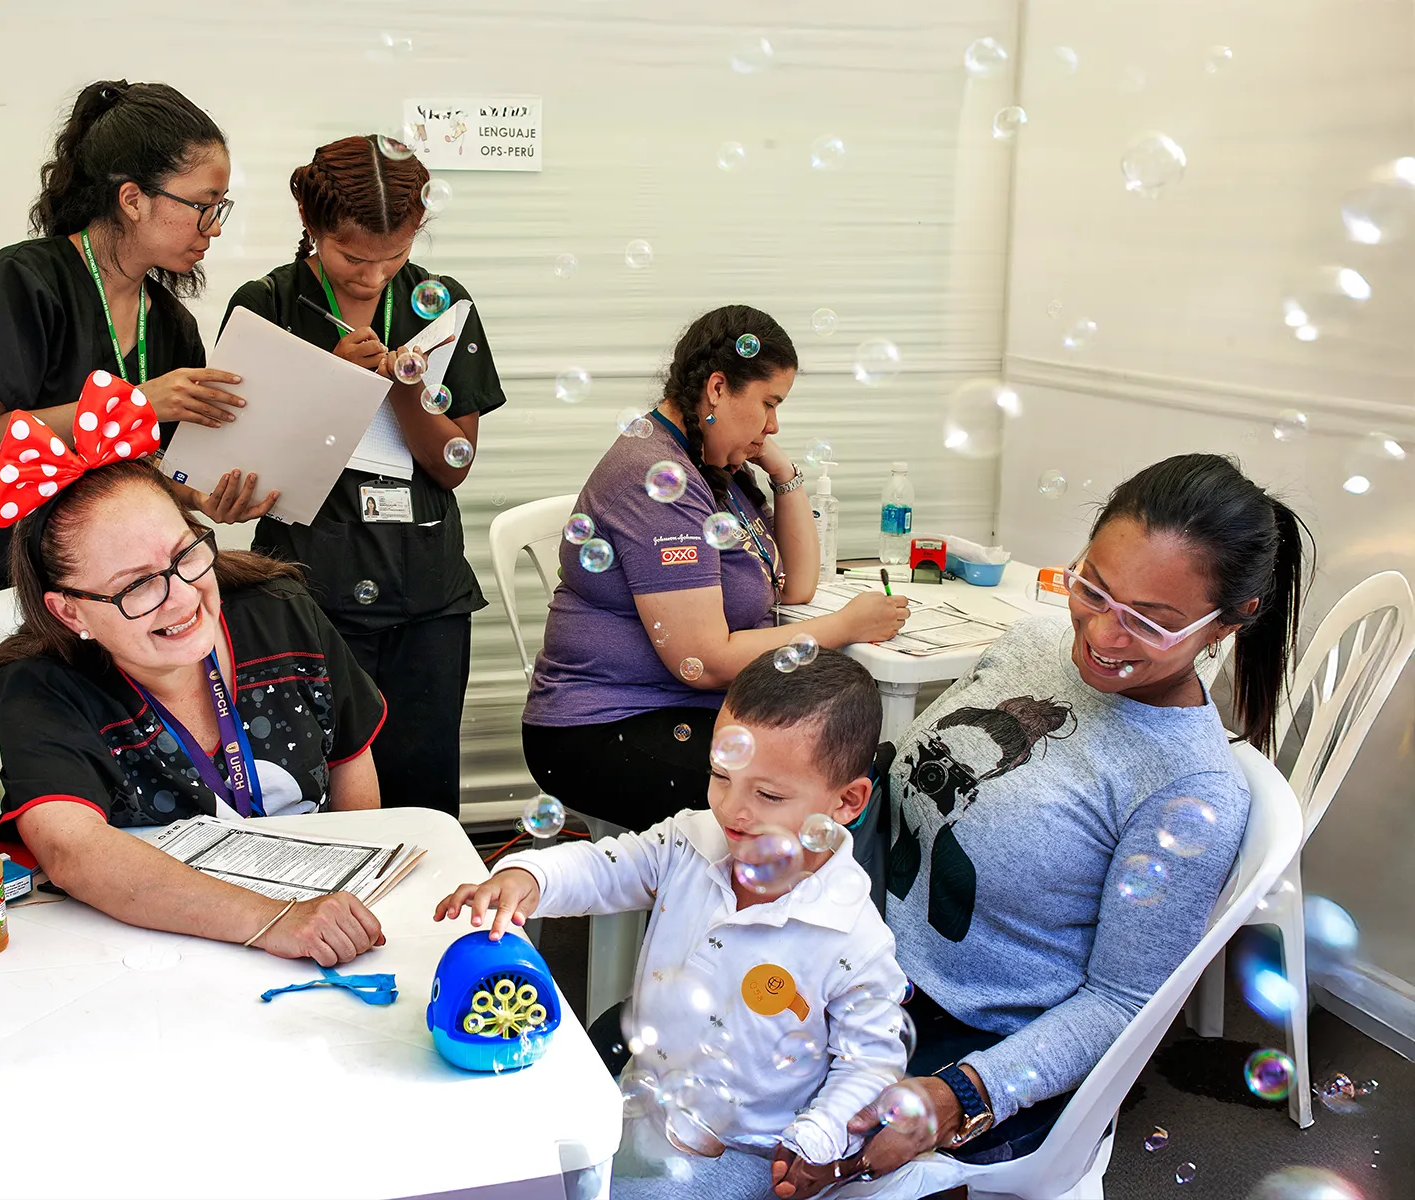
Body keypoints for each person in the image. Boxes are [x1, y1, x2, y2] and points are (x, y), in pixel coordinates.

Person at [770, 453, 1312, 1198]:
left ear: (1231, 620)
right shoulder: (1030, 644)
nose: (1105, 634)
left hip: (979, 1043)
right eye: (1093, 587)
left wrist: (953, 1098)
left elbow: (1122, 1006)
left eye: (1151, 622)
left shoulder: (1186, 791)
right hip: (862, 969)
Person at [438, 650, 909, 1199]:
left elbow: (872, 1062)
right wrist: (529, 876)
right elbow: (605, 867)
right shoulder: (691, 840)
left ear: (848, 801)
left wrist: (820, 1134)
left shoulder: (851, 934)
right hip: (641, 1106)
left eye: (769, 795)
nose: (732, 810)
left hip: (748, 1153)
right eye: (720, 776)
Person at [0, 78, 275, 819]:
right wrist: (139, 401)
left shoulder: (169, 321)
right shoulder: (26, 281)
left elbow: (146, 473)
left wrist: (199, 497)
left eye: (221, 207)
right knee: (39, 773)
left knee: (127, 773)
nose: (213, 224)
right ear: (131, 198)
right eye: (201, 202)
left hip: (127, 586)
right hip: (14, 572)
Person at [0, 376, 386, 965]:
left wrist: (350, 904)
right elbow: (73, 850)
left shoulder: (282, 615)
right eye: (137, 586)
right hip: (144, 955)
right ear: (69, 611)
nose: (180, 598)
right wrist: (274, 922)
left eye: (185, 555)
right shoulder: (42, 685)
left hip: (317, 935)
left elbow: (350, 766)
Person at [522, 306, 911, 832]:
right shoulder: (655, 479)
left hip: (681, 712)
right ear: (718, 388)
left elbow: (796, 585)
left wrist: (783, 471)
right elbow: (701, 662)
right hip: (606, 729)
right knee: (815, 795)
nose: (773, 424)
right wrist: (844, 628)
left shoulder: (709, 464)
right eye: (769, 404)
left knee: (843, 778)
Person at [222, 135, 507, 817]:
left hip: (426, 594)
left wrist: (404, 386)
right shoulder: (268, 304)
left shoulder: (442, 306)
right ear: (307, 220)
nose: (374, 276)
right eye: (352, 256)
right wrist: (337, 385)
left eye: (397, 256)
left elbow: (452, 465)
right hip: (304, 589)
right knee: (307, 791)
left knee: (422, 793)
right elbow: (246, 467)